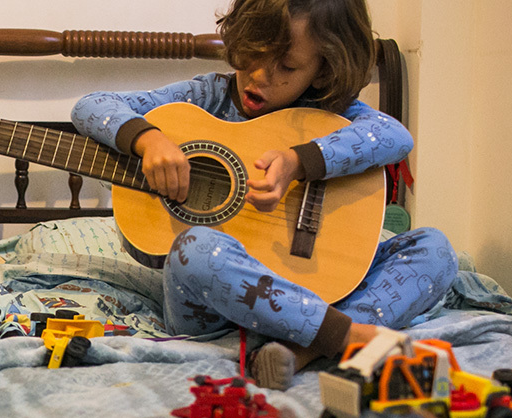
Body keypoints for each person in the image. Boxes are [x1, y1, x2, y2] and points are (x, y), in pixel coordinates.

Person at [71, 0, 457, 389]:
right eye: (253, 54)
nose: (259, 76)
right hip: (211, 311)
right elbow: (90, 105)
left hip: (320, 287)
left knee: (436, 249)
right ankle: (343, 336)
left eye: (287, 67)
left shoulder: (325, 114)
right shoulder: (208, 96)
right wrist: (148, 138)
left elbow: (394, 136)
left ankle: (303, 347)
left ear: (324, 69)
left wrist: (299, 161)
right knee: (195, 248)